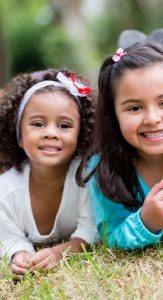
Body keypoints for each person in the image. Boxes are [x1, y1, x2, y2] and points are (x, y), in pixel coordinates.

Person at [81, 42, 163, 250]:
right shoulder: (103, 166)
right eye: (134, 108)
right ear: (113, 116)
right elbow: (111, 234)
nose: (152, 118)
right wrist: (145, 222)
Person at [0, 69, 98, 275]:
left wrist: (61, 252)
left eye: (64, 125)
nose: (51, 133)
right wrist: (20, 254)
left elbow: (91, 230)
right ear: (18, 135)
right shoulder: (5, 189)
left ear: (81, 136)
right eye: (38, 124)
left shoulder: (89, 178)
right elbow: (8, 236)